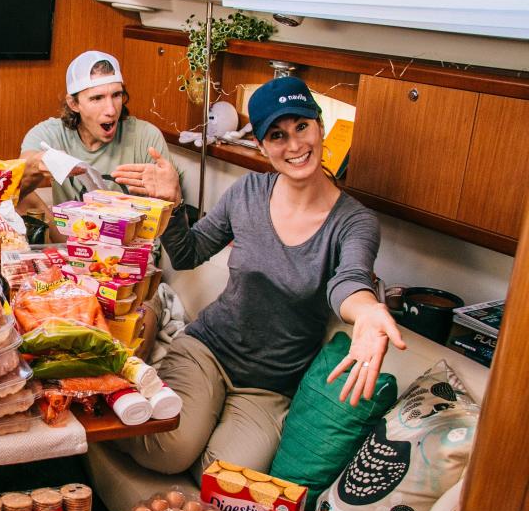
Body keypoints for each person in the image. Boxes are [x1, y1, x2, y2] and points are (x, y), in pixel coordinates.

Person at [109, 76, 405, 478]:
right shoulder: (248, 192)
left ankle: (196, 427)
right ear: (263, 147)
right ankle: (128, 418)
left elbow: (348, 280)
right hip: (208, 351)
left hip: (268, 387)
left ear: (319, 126)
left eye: (302, 126)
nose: (295, 145)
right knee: (170, 450)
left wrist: (368, 311)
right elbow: (188, 253)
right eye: (278, 135)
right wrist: (171, 203)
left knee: (222, 480)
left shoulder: (354, 222)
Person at [18, 50, 174, 220]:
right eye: (97, 98)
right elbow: (15, 181)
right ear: (74, 104)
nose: (111, 110)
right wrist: (37, 164)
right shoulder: (49, 134)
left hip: (130, 240)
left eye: (116, 95)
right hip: (72, 238)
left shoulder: (147, 137)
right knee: (24, 198)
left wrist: (173, 196)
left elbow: (169, 220)